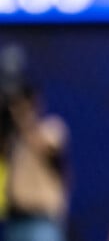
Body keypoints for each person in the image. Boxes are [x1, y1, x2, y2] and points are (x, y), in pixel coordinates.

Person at [1, 79, 70, 241]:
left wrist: (24, 120)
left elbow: (50, 145)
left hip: (42, 222)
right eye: (13, 105)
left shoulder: (51, 128)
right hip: (15, 221)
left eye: (20, 103)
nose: (15, 110)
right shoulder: (13, 139)